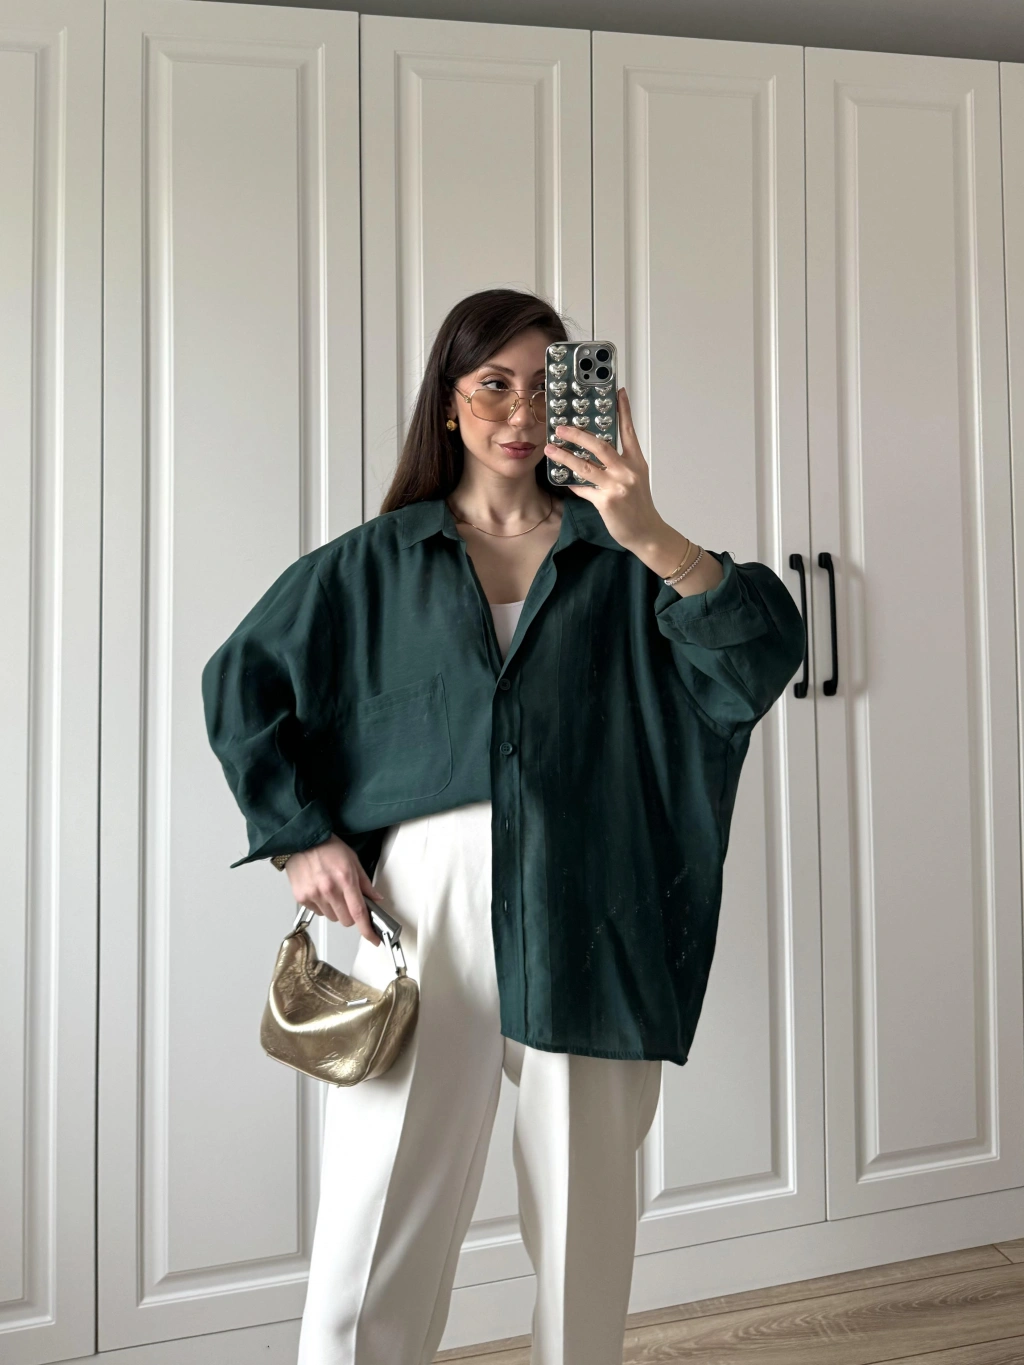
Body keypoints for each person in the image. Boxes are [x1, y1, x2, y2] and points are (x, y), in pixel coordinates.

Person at [201, 287, 807, 1365]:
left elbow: (755, 661)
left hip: (593, 901)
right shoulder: (373, 563)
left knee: (583, 1238)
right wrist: (299, 835)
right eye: (493, 385)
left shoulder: (626, 558)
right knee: (366, 1246)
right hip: (421, 906)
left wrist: (650, 530)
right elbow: (241, 682)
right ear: (448, 400)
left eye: (543, 387)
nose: (522, 412)